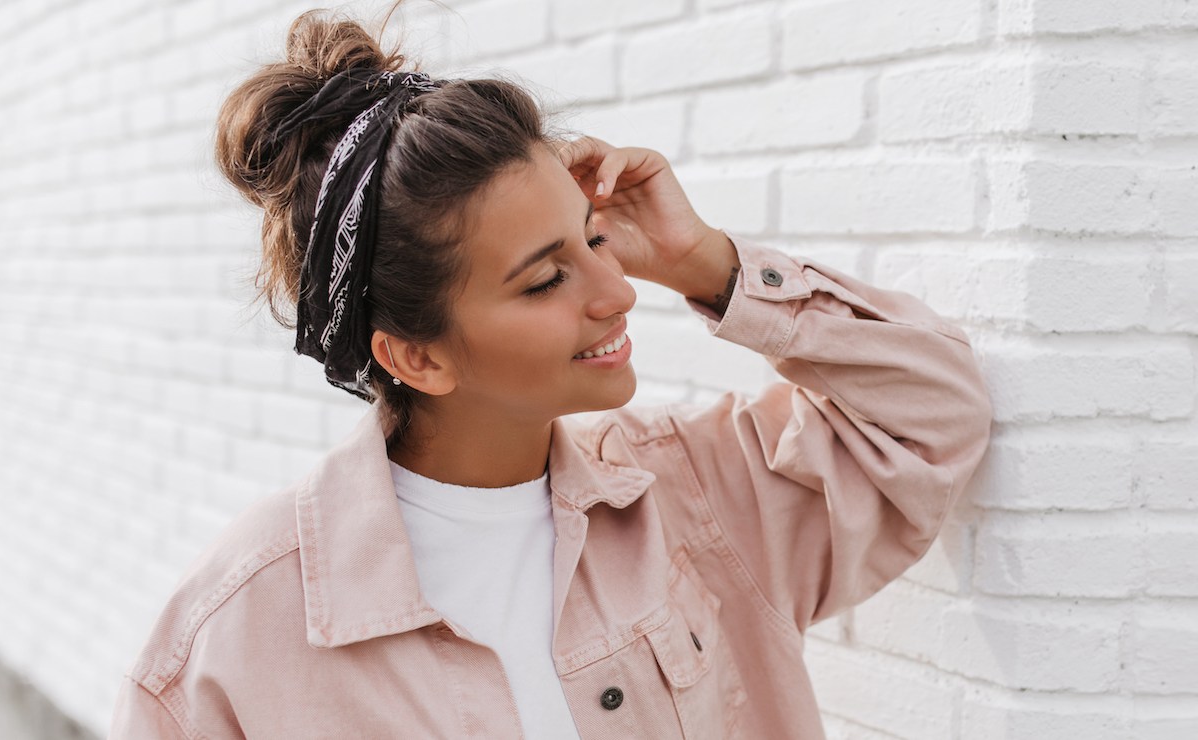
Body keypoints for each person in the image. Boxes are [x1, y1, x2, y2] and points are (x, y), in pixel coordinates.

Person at [108, 4, 993, 739]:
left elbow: (935, 414)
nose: (618, 292)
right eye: (544, 280)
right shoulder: (233, 643)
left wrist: (705, 263)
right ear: (417, 356)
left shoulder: (694, 496)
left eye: (593, 239)